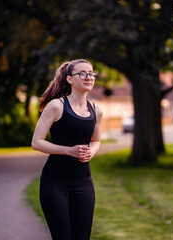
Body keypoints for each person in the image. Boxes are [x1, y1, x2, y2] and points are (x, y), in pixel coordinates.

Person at [31, 59, 103, 240]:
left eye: (91, 73)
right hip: (55, 184)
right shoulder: (57, 106)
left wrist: (91, 152)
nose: (89, 77)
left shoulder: (97, 110)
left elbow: (96, 140)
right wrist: (69, 151)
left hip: (84, 183)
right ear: (70, 79)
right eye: (83, 73)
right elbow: (37, 142)